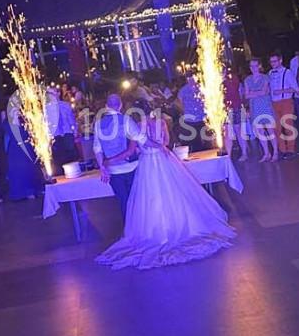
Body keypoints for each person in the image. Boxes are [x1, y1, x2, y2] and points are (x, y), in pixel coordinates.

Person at [96, 101, 235, 270]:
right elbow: (167, 142)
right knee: (176, 193)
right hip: (164, 160)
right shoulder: (161, 123)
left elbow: (136, 148)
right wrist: (159, 146)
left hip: (146, 163)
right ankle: (179, 224)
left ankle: (155, 231)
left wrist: (110, 160)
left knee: (150, 198)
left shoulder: (135, 126)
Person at [92, 93, 146, 223]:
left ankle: (129, 231)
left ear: (106, 106)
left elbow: (97, 148)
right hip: (132, 167)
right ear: (120, 105)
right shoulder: (126, 120)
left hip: (113, 171)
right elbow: (141, 139)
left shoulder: (98, 124)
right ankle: (140, 229)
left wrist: (102, 167)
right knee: (137, 202)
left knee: (123, 202)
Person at [3, 99, 45, 201]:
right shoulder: (7, 122)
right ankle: (24, 192)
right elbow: (12, 134)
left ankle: (34, 189)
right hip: (16, 150)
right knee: (20, 170)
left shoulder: (23, 120)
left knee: (30, 168)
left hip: (27, 147)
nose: (17, 110)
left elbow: (28, 133)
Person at [242, 58, 276, 162]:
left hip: (265, 106)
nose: (254, 68)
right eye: (252, 66)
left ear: (259, 66)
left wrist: (253, 93)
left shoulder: (265, 77)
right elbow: (246, 95)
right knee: (259, 131)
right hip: (254, 107)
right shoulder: (247, 80)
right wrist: (257, 92)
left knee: (270, 130)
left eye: (256, 66)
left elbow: (264, 92)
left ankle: (275, 152)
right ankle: (266, 153)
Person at [267, 52, 299, 158]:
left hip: (286, 101)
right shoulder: (270, 73)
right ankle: (281, 149)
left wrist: (282, 91)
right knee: (276, 127)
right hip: (274, 103)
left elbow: (296, 89)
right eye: (271, 61)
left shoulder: (288, 72)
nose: (273, 63)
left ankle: (290, 149)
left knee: (288, 125)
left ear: (280, 60)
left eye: (275, 61)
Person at [46, 86, 79, 167]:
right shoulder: (46, 108)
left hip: (67, 133)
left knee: (71, 154)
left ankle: (73, 171)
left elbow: (71, 119)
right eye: (49, 94)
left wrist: (75, 131)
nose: (51, 95)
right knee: (59, 156)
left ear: (58, 93)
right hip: (55, 135)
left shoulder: (65, 105)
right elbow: (47, 123)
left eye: (52, 93)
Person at [223, 65, 247, 161]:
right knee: (227, 132)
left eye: (222, 69)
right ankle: (228, 156)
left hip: (236, 107)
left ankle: (244, 153)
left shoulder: (232, 79)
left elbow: (235, 92)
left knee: (238, 130)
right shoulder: (216, 82)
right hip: (224, 109)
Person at [177, 74, 206, 153]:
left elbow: (178, 103)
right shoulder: (201, 88)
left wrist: (184, 111)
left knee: (195, 138)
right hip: (198, 117)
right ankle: (202, 151)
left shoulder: (184, 90)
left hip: (194, 118)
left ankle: (198, 152)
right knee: (200, 138)